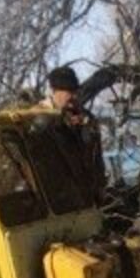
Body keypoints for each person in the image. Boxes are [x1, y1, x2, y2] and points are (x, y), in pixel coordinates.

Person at [45, 64, 107, 203]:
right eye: (69, 92)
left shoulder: (85, 117)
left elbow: (96, 155)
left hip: (86, 194)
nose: (74, 96)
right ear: (55, 91)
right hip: (56, 198)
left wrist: (100, 184)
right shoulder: (39, 118)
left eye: (74, 91)